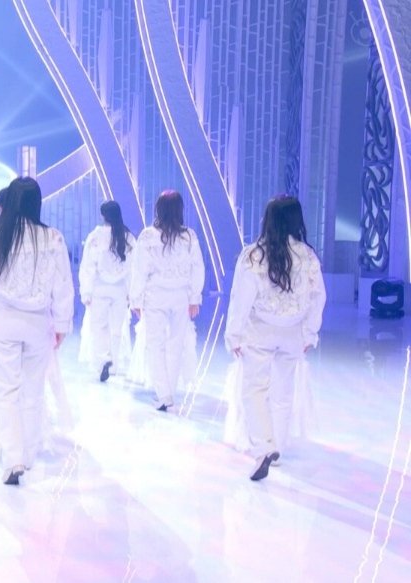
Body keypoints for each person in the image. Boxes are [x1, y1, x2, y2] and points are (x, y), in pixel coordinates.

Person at [0, 177, 73, 487]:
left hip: (2, 322)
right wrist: (62, 324)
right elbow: (63, 286)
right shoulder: (52, 238)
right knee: (32, 391)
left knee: (6, 392)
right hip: (38, 324)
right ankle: (26, 456)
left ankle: (13, 458)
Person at [225, 196, 325, 481]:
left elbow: (241, 299)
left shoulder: (254, 256)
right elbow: (319, 296)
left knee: (254, 389)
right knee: (283, 391)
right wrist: (310, 332)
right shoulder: (307, 256)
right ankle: (277, 447)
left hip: (260, 331)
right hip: (292, 332)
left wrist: (234, 335)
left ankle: (264, 447)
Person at [129, 190, 205, 412]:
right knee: (176, 344)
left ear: (158, 209)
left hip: (156, 297)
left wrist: (136, 299)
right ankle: (167, 392)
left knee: (156, 344)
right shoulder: (189, 236)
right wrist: (194, 297)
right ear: (180, 210)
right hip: (180, 297)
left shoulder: (148, 236)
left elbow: (139, 271)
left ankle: (164, 394)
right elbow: (197, 268)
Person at [79, 201, 135, 382]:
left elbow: (88, 266)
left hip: (99, 289)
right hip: (120, 290)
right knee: (117, 329)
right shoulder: (128, 238)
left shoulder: (96, 236)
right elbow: (133, 268)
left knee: (99, 327)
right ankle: (114, 364)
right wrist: (132, 292)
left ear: (103, 216)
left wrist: (86, 291)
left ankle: (104, 359)